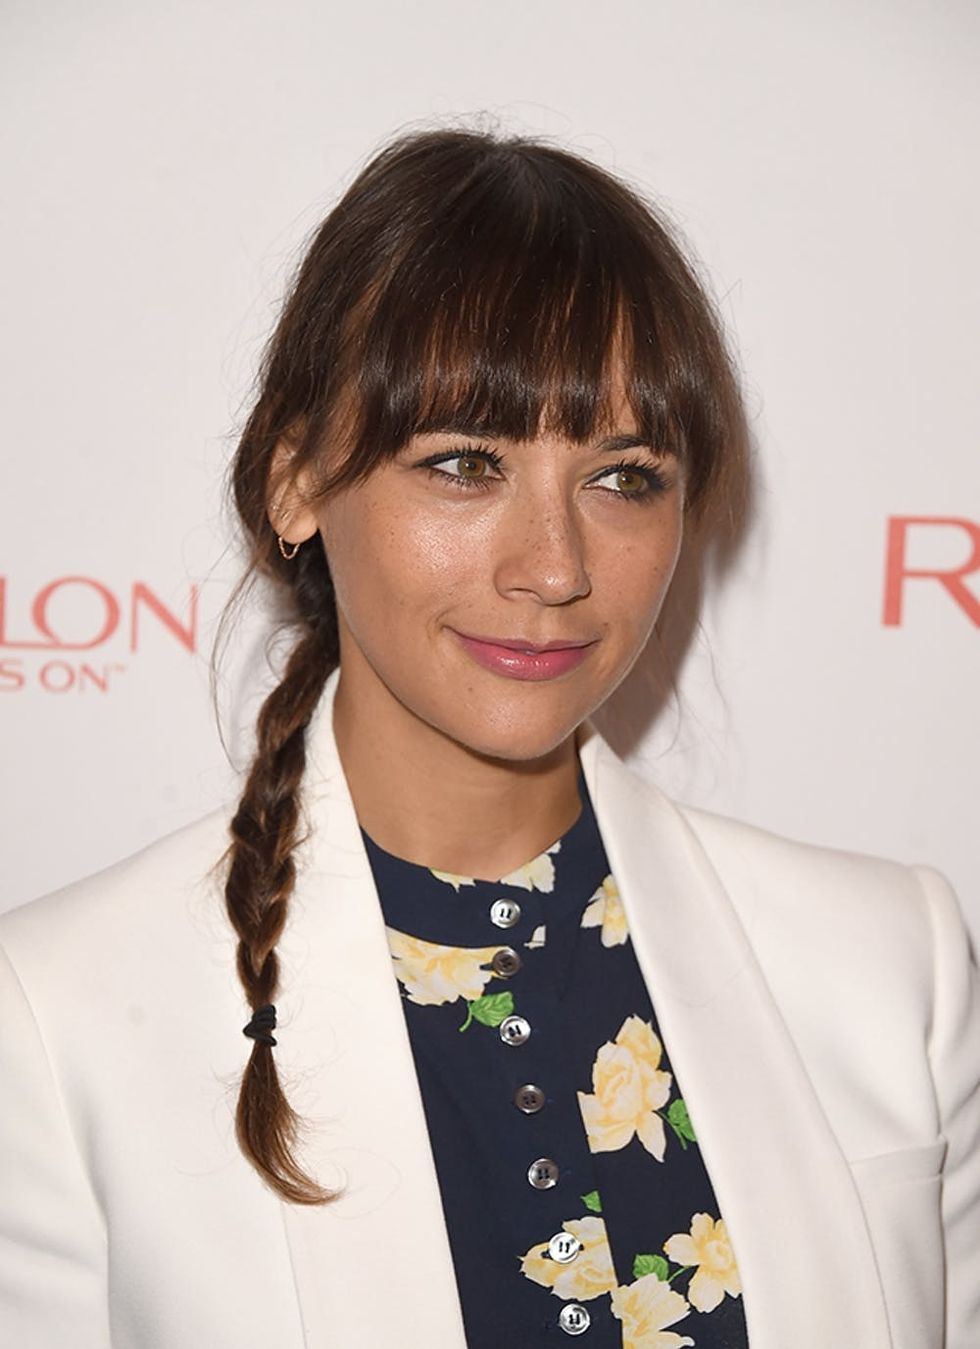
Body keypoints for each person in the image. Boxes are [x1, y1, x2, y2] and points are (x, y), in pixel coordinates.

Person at [1, 127, 977, 1349]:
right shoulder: (53, 1014)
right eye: (464, 463)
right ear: (294, 478)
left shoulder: (891, 963)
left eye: (623, 476)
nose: (555, 567)